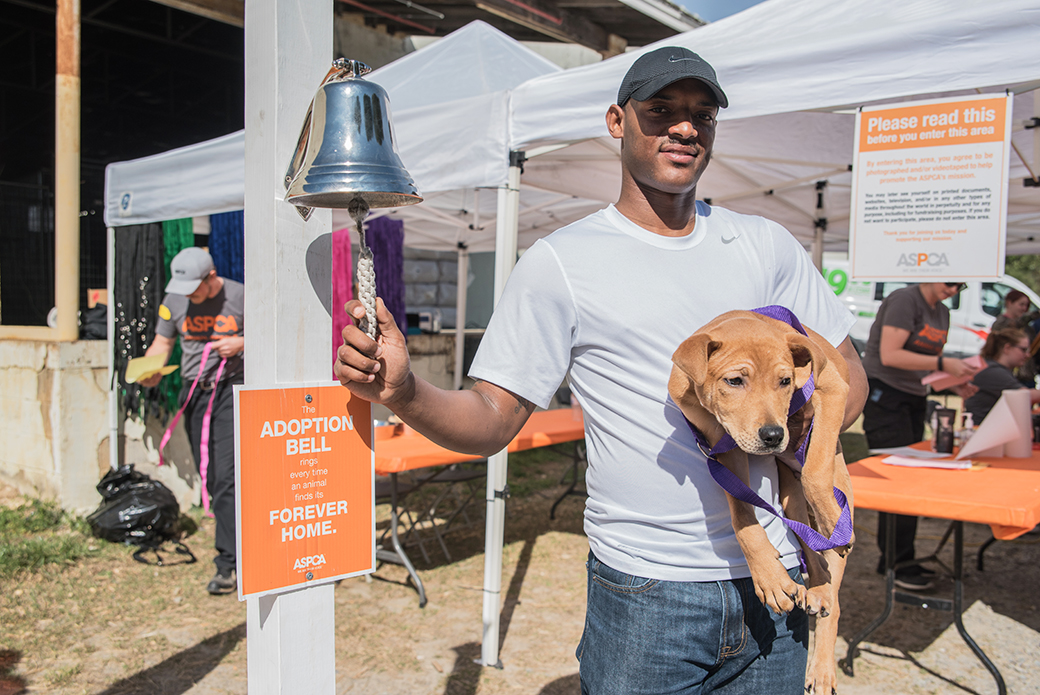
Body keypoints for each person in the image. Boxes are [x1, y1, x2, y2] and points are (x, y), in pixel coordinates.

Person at [336, 47, 867, 694]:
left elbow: (849, 378)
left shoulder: (766, 244)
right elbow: (490, 418)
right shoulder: (562, 262)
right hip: (648, 595)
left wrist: (787, 436)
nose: (684, 127)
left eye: (702, 114)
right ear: (617, 120)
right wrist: (406, 389)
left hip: (777, 586)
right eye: (661, 111)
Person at [139, 247, 245, 595]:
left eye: (194, 289)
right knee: (211, 476)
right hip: (194, 393)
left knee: (227, 476)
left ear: (211, 276)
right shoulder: (174, 299)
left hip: (231, 391)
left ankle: (228, 564)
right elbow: (162, 342)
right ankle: (238, 546)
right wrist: (149, 371)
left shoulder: (241, 296)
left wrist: (241, 343)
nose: (188, 296)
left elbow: (275, 337)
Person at [860, 282, 978, 591]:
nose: (953, 290)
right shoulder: (904, 300)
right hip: (886, 396)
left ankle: (903, 558)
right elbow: (890, 354)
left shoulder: (942, 312)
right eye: (949, 282)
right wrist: (943, 363)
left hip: (914, 396)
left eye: (960, 285)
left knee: (912, 479)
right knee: (897, 481)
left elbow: (921, 367)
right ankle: (894, 563)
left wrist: (952, 383)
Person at [963, 328, 1040, 422]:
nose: (1027, 355)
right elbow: (1025, 396)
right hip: (985, 431)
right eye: (1023, 350)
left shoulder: (994, 368)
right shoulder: (994, 372)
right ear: (1007, 348)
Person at [991, 289, 1036, 387]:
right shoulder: (1000, 323)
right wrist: (1030, 316)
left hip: (1025, 376)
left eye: (1027, 306)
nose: (1024, 308)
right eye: (1021, 304)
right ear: (1009, 303)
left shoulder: (1028, 328)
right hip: (1005, 373)